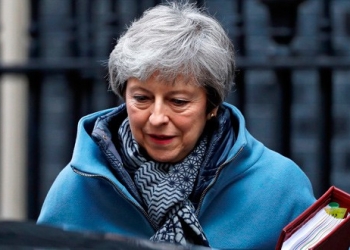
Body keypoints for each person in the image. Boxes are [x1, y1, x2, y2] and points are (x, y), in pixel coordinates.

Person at [37, 1, 316, 249]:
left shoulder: (280, 187)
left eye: (179, 101)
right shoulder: (78, 185)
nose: (157, 117)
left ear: (212, 106)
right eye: (142, 98)